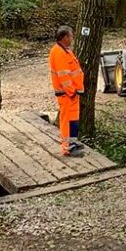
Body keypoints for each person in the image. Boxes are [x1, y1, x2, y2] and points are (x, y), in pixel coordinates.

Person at [48, 26, 85, 157]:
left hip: (72, 94)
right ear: (65, 37)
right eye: (71, 36)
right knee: (67, 121)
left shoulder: (65, 51)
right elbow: (64, 76)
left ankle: (73, 143)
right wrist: (72, 91)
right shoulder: (58, 53)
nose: (72, 38)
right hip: (67, 94)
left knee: (73, 120)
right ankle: (67, 147)